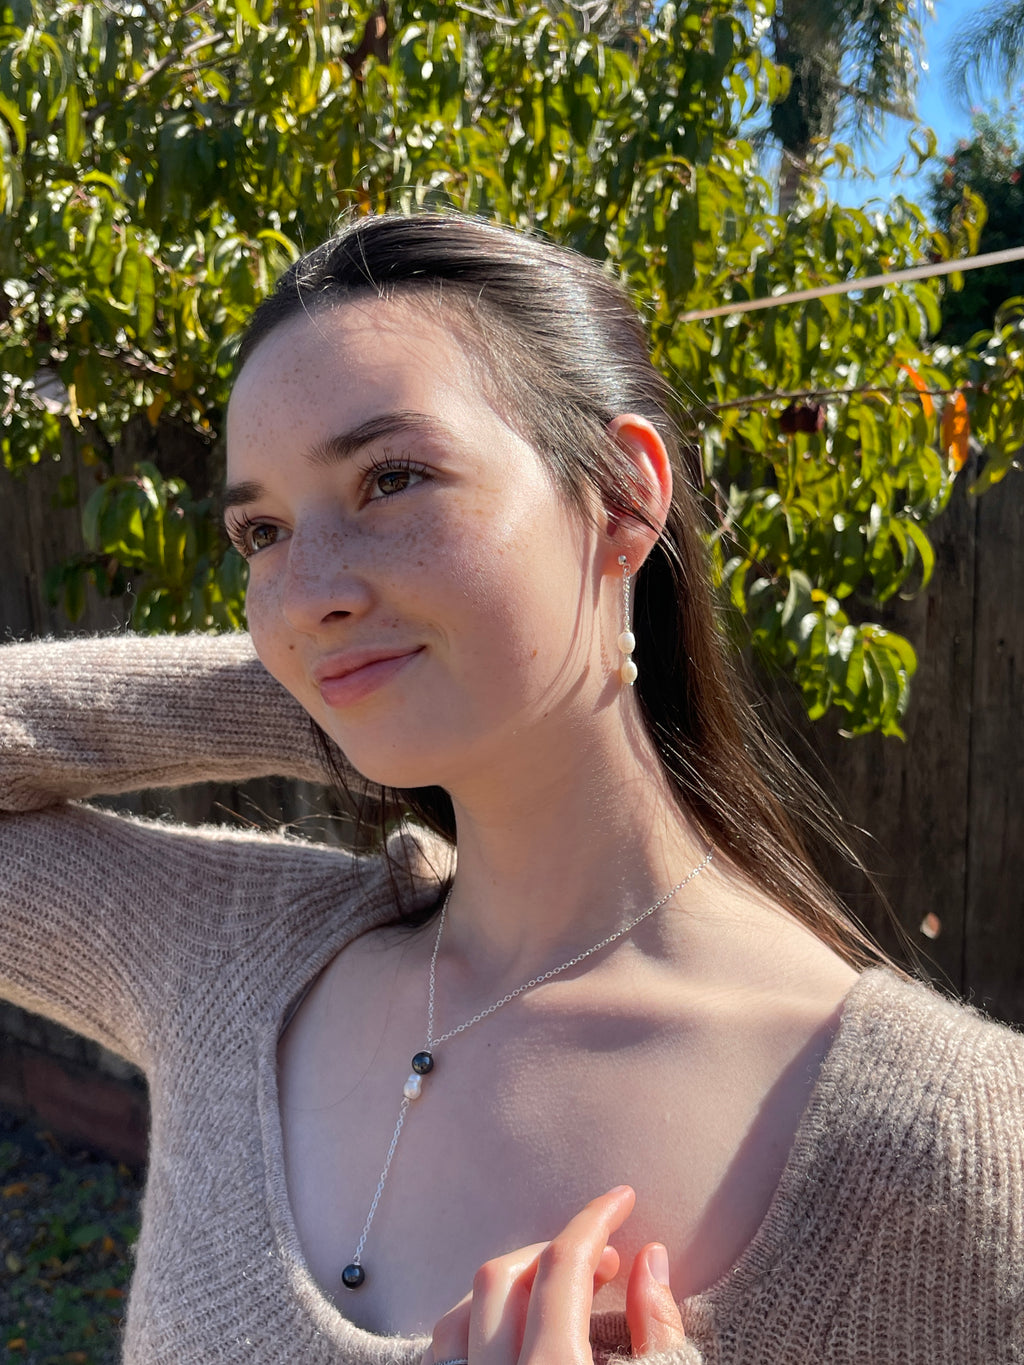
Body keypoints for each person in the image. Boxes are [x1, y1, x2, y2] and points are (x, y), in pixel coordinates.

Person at [1, 211, 1021, 1365]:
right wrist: (326, 687)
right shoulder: (229, 960)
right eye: (264, 533)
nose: (300, 591)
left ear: (624, 500)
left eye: (391, 477)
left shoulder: (956, 1145)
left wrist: (376, 662)